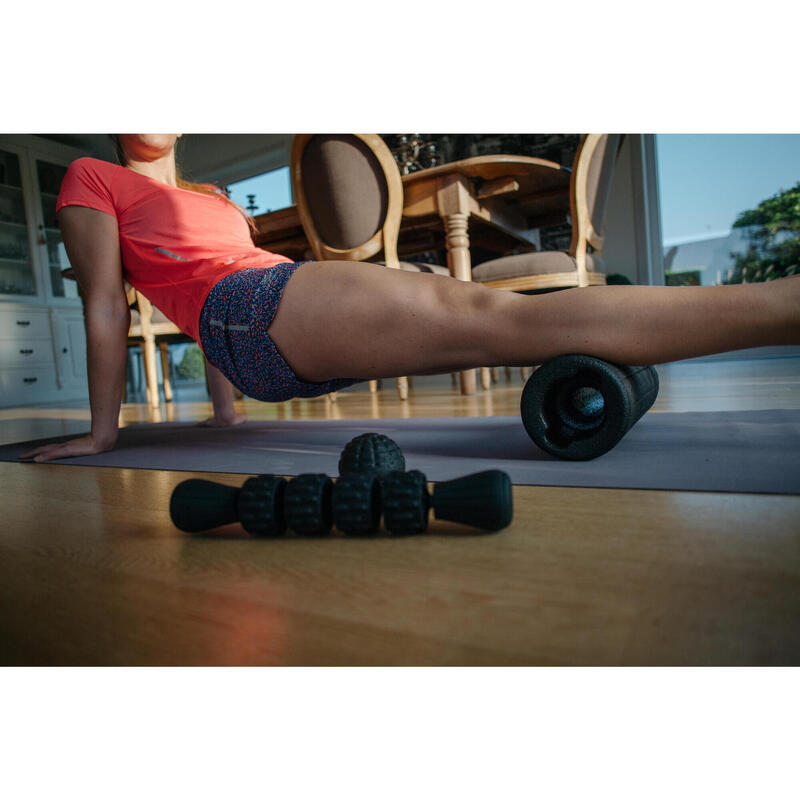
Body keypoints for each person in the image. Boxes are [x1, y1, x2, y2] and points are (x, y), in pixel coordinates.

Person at [19, 133, 800, 463]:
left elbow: (195, 287)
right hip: (254, 311)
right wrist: (103, 435)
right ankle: (783, 306)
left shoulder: (210, 193)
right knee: (505, 320)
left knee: (493, 322)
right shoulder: (91, 178)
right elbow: (106, 303)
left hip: (257, 318)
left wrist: (225, 414)